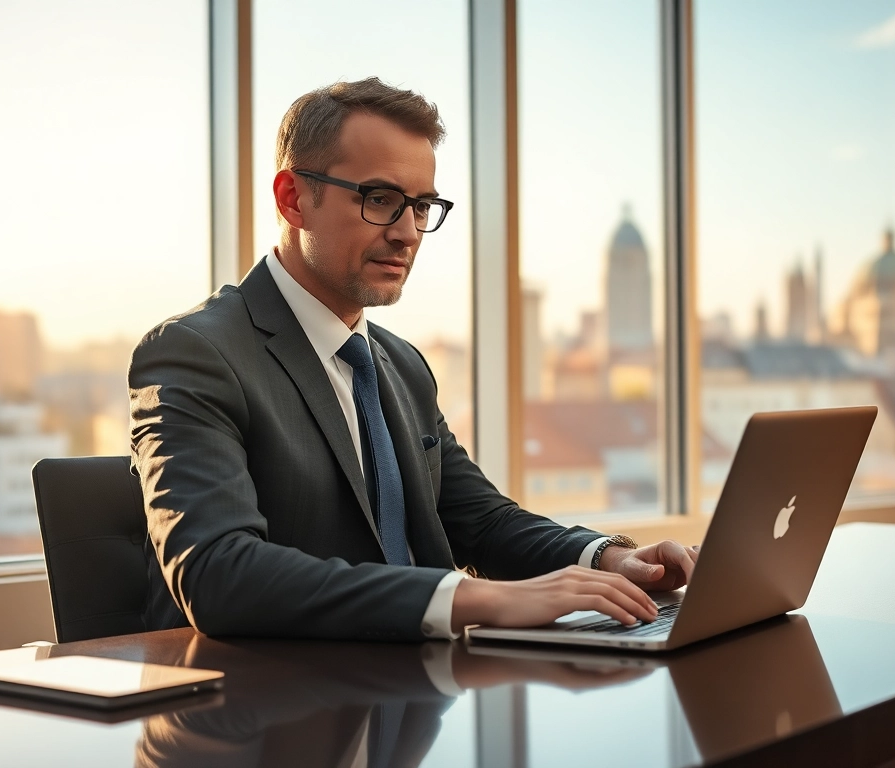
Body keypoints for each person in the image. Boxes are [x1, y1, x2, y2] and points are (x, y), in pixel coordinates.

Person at [129, 77, 699, 643]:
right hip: (261, 709)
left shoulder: (400, 366)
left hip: (412, 697)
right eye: (380, 200)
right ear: (292, 198)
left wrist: (610, 560)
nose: (407, 233)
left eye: (421, 205)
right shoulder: (194, 353)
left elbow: (482, 521)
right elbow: (219, 576)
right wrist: (475, 598)